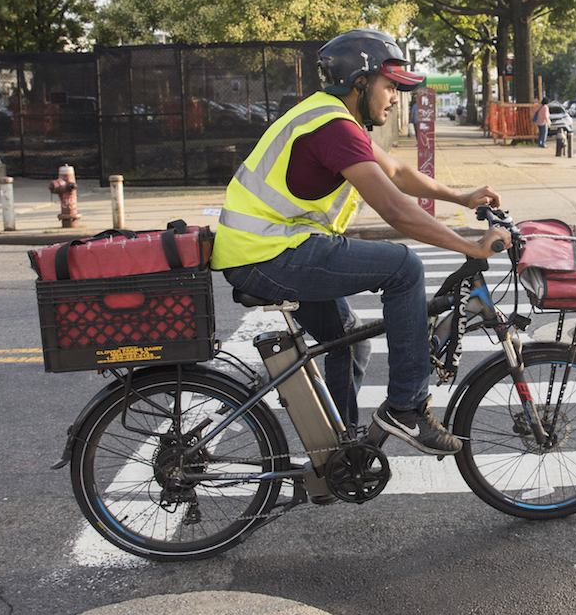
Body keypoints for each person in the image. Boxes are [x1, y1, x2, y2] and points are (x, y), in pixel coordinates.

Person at [212, 29, 510, 455]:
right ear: (360, 83)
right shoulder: (333, 128)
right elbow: (398, 212)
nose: (394, 98)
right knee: (404, 268)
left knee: (348, 338)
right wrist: (473, 246)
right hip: (269, 254)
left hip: (266, 251)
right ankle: (407, 408)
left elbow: (398, 173)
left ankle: (341, 449)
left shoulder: (333, 118)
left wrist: (460, 197)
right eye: (389, 87)